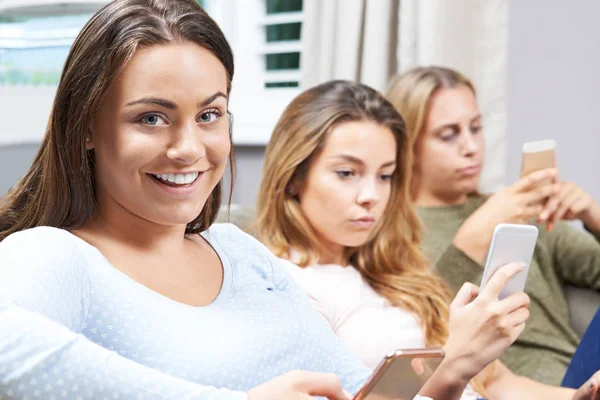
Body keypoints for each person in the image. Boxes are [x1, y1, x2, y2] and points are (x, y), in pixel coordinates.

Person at [0, 1, 436, 399]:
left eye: (209, 115)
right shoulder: (55, 256)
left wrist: (452, 379)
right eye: (151, 118)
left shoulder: (240, 252)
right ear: (86, 128)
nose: (189, 148)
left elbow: (355, 387)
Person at [255, 79, 600, 399]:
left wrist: (577, 397)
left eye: (385, 175)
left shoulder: (397, 268)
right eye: (347, 173)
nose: (371, 195)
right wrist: (458, 361)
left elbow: (497, 381)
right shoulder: (287, 284)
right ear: (293, 178)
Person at [386, 65, 600, 387]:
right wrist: (472, 240)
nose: (471, 147)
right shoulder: (394, 232)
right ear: (407, 145)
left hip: (580, 377)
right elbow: (424, 330)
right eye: (449, 135)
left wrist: (592, 215)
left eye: (476, 128)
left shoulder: (516, 207)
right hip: (523, 389)